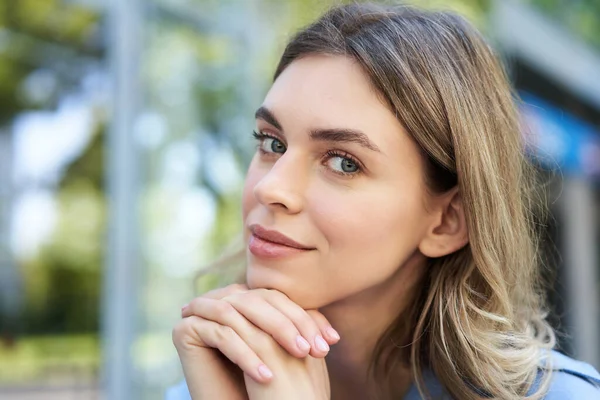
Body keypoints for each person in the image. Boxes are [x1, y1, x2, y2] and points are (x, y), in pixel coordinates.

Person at [168, 3, 600, 399]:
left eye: (343, 163)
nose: (271, 188)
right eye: (272, 143)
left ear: (448, 222)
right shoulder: (205, 385)